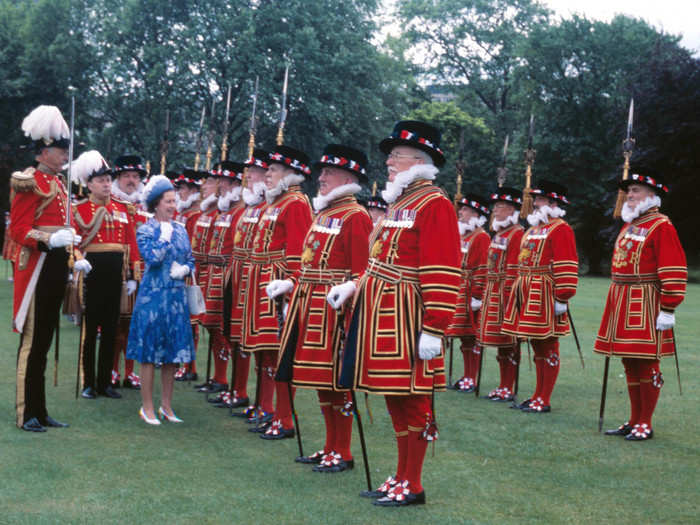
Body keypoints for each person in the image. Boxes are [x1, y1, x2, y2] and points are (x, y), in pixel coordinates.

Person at [331, 120, 461, 506]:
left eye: (396, 155)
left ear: (418, 160)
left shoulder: (435, 203)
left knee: (414, 397)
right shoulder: (399, 203)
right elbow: (378, 258)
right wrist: (354, 285)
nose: (388, 161)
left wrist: (435, 327)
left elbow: (443, 268)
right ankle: (401, 475)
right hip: (382, 310)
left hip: (409, 314)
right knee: (394, 395)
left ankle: (414, 482)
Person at [269, 144, 372, 470]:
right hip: (310, 306)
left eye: (328, 172)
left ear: (348, 176)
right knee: (321, 384)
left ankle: (343, 450)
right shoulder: (324, 212)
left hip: (335, 311)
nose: (321, 177)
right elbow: (308, 261)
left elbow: (361, 270)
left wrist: (349, 293)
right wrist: (290, 283)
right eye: (322, 172)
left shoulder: (356, 215)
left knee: (337, 384)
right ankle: (329, 447)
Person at [12, 105, 91, 432]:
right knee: (33, 343)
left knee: (45, 340)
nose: (64, 156)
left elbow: (64, 227)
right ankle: (25, 412)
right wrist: (48, 241)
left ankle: (40, 410)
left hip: (56, 266)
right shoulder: (28, 181)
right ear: (44, 152)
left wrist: (72, 250)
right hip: (36, 269)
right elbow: (17, 229)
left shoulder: (57, 185)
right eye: (60, 151)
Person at [594, 167, 686, 440]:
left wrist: (669, 307)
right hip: (622, 297)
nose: (629, 196)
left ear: (651, 194)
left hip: (646, 301)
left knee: (647, 361)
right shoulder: (630, 224)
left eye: (635, 191)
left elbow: (673, 267)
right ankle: (634, 419)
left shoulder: (662, 225)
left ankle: (645, 422)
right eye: (628, 192)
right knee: (629, 361)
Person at [242, 145, 313, 437]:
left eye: (273, 170)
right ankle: (268, 408)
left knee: (281, 353)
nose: (267, 174)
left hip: (278, 285)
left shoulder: (295, 203)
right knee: (265, 353)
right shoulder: (275, 202)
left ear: (288, 173)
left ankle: (284, 418)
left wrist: (290, 291)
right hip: (263, 282)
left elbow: (299, 253)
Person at [502, 180, 579, 412]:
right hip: (526, 289)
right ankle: (536, 395)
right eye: (535, 199)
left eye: (540, 200)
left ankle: (544, 398)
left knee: (548, 344)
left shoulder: (561, 228)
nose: (534, 203)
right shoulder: (533, 229)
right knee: (536, 345)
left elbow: (567, 263)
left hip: (545, 291)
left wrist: (562, 296)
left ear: (554, 202)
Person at [126, 175, 195, 425]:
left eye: (174, 201)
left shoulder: (181, 228)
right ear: (156, 204)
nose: (172, 205)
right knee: (148, 353)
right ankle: (147, 407)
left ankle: (166, 406)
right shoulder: (146, 229)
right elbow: (151, 258)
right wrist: (163, 239)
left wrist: (185, 269)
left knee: (171, 354)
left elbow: (190, 258)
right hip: (153, 298)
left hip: (175, 297)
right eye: (168, 201)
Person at [71, 151, 139, 400]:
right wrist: (76, 261)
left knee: (111, 330)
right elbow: (74, 242)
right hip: (92, 275)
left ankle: (104, 382)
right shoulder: (80, 209)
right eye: (101, 181)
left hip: (116, 277)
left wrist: (133, 274)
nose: (107, 184)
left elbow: (131, 243)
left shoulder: (123, 209)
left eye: (109, 180)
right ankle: (88, 381)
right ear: (89, 184)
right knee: (90, 332)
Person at [228, 149, 270, 416]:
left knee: (263, 347)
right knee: (246, 342)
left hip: (263, 280)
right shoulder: (250, 208)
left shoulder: (268, 207)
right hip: (244, 277)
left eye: (253, 173)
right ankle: (249, 396)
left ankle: (265, 405)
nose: (248, 178)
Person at [201, 161, 246, 407]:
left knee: (228, 330)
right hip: (213, 272)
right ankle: (219, 376)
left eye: (225, 182)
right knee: (212, 326)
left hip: (228, 272)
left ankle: (232, 383)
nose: (220, 186)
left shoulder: (239, 210)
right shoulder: (224, 211)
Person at [478, 188, 524, 402]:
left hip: (505, 292)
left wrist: (510, 298)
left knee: (510, 341)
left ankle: (509, 386)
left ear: (511, 209)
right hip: (493, 291)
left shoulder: (516, 233)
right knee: (499, 342)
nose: (494, 210)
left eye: (499, 206)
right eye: (494, 206)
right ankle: (502, 384)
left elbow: (514, 267)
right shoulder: (499, 233)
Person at [110, 154, 149, 389]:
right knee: (115, 324)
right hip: (117, 271)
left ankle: (130, 371)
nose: (131, 180)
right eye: (126, 176)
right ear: (118, 178)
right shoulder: (111, 203)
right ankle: (112, 370)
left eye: (135, 176)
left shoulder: (146, 206)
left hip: (143, 274)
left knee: (136, 325)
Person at [445, 194, 490, 392]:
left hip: (471, 291)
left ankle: (472, 377)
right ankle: (465, 375)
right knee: (463, 336)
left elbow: (482, 266)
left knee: (473, 335)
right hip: (459, 288)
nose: (460, 213)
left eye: (464, 210)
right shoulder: (462, 235)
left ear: (475, 213)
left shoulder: (481, 236)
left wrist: (478, 294)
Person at [172, 169, 202, 382]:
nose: (179, 193)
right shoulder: (182, 214)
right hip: (177, 269)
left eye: (182, 189)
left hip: (189, 271)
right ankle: (182, 362)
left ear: (192, 191)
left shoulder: (195, 216)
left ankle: (190, 365)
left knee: (191, 321)